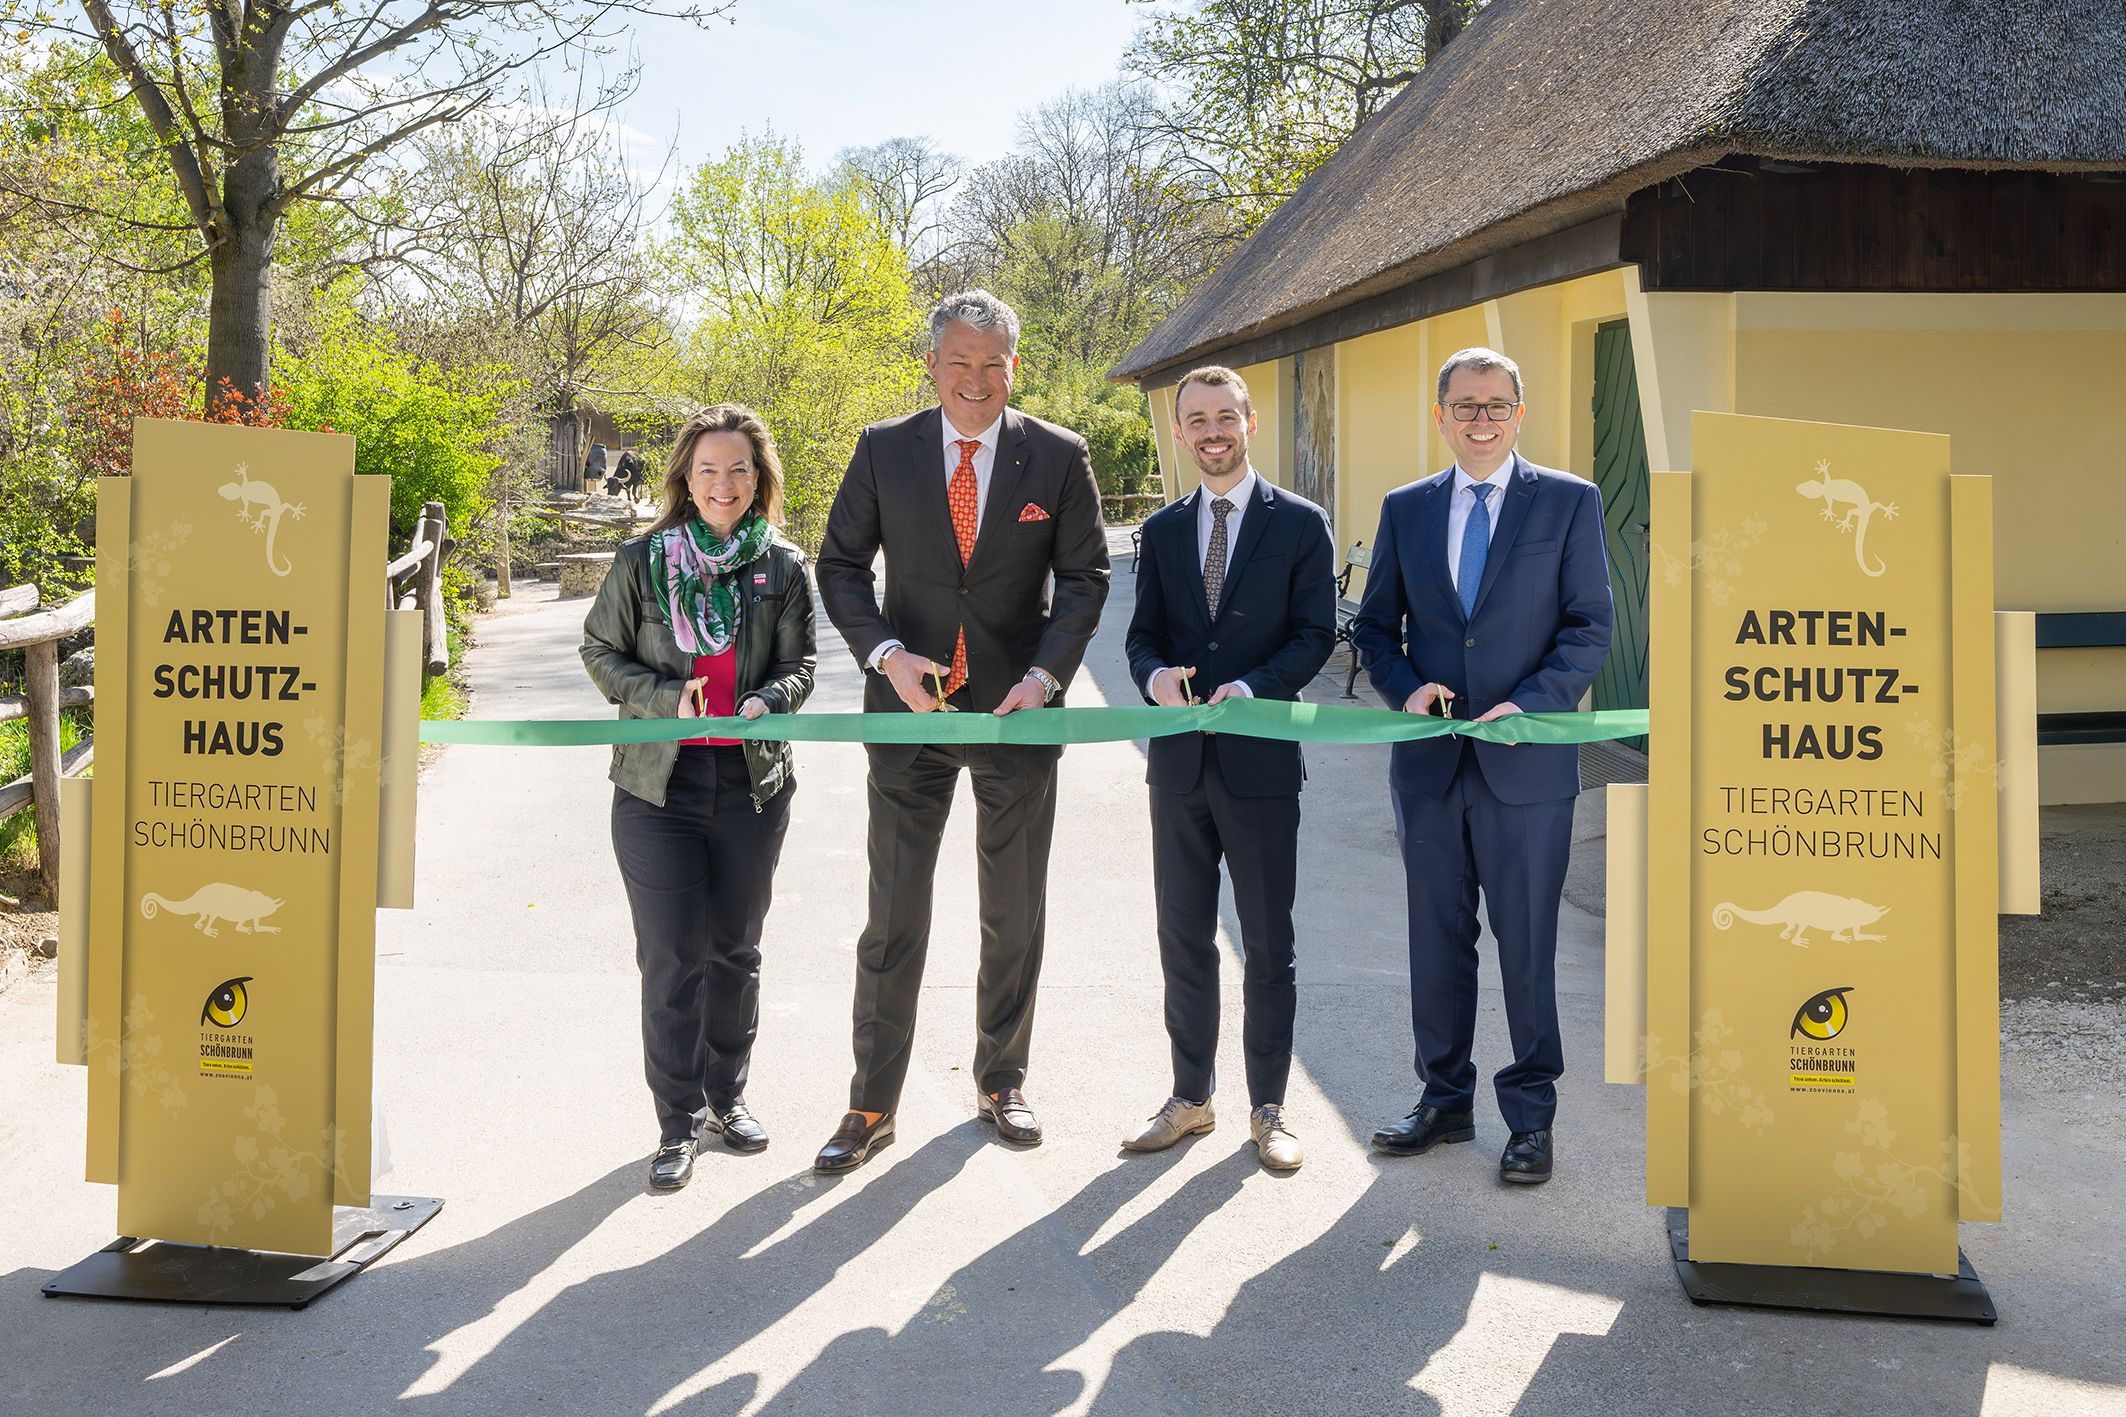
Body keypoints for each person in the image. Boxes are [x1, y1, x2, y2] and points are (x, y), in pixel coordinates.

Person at [812, 289, 1110, 1173]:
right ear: (933, 365)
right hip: (909, 717)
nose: (975, 381)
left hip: (1018, 714)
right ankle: (870, 1101)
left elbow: (1085, 578)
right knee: (893, 915)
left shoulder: (1057, 456)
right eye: (960, 362)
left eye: (993, 364)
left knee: (1012, 912)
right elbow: (838, 565)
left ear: (1013, 367)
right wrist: (884, 655)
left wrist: (1045, 674)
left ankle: (1002, 1080)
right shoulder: (882, 449)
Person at [1349, 347, 1612, 1186]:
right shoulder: (1406, 507)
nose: (1481, 420)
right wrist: (1403, 689)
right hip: (1429, 766)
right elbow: (1374, 626)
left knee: (1527, 947)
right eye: (1465, 406)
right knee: (1437, 941)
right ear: (1441, 416)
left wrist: (1531, 702)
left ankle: (1530, 1118)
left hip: (1526, 768)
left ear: (1519, 413)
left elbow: (1588, 626)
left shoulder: (1569, 503)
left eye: (1496, 405)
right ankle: (1444, 1098)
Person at [580, 404, 817, 1191]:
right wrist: (661, 698)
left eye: (740, 470)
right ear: (685, 475)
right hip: (657, 787)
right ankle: (675, 1121)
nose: (724, 484)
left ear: (760, 480)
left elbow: (800, 667)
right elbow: (600, 649)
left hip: (752, 784)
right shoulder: (642, 560)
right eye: (710, 469)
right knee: (673, 956)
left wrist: (770, 702)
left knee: (735, 950)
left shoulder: (783, 566)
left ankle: (727, 1097)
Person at [1121, 366, 1336, 1172]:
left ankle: (1269, 1108)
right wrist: (1152, 676)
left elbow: (1315, 634)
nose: (1212, 432)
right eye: (1196, 420)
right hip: (1177, 768)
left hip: (1260, 765)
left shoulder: (1301, 524)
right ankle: (1191, 1096)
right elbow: (1142, 634)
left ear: (1250, 422)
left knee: (1268, 942)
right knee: (1183, 935)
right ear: (1180, 432)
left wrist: (1254, 686)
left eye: (1225, 417)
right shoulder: (1166, 529)